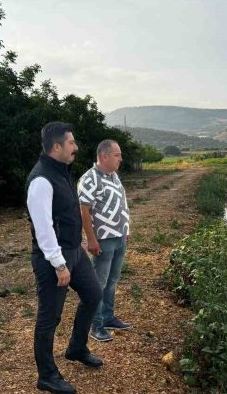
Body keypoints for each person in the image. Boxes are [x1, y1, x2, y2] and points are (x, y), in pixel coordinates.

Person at [26, 122, 103, 394]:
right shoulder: (41, 180)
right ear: (56, 147)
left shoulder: (61, 172)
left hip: (74, 252)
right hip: (52, 259)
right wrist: (59, 263)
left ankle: (76, 348)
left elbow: (66, 215)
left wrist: (78, 243)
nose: (76, 147)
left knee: (94, 294)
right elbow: (44, 227)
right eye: (72, 143)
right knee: (49, 317)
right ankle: (47, 376)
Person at [77, 139, 132, 342]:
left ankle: (108, 317)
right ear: (104, 156)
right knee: (98, 284)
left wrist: (126, 229)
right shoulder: (90, 179)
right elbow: (84, 210)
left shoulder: (113, 176)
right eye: (117, 155)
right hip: (103, 239)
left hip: (119, 237)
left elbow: (121, 204)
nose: (121, 159)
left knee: (112, 281)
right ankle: (96, 326)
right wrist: (91, 239)